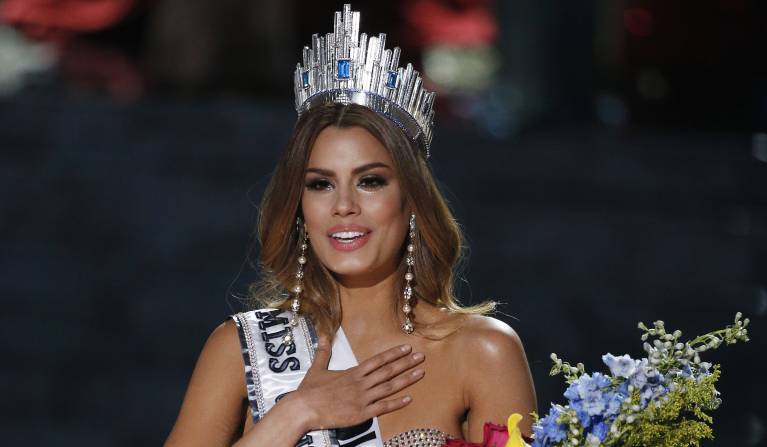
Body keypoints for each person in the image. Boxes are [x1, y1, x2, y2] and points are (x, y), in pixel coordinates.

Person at [165, 5, 536, 447]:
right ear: (300, 207)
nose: (343, 205)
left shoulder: (483, 353)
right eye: (321, 184)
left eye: (370, 181)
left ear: (412, 198)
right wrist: (298, 413)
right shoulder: (238, 350)